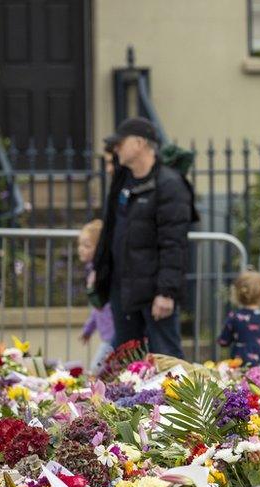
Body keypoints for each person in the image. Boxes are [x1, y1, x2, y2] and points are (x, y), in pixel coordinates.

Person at [93, 117, 197, 358]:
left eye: (120, 143)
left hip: (154, 290)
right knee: (128, 364)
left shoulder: (169, 184)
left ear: (139, 143)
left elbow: (174, 243)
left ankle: (177, 398)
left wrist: (167, 292)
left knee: (166, 360)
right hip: (124, 288)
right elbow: (110, 230)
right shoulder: (123, 180)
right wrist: (99, 269)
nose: (115, 149)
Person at [217, 271, 260, 369]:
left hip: (241, 367)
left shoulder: (235, 317)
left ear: (237, 294)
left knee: (241, 384)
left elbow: (223, 341)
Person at [78, 219, 115, 374]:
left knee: (96, 370)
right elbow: (97, 307)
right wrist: (88, 329)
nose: (80, 249)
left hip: (114, 336)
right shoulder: (92, 272)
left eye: (87, 245)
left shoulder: (103, 275)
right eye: (80, 244)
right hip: (107, 336)